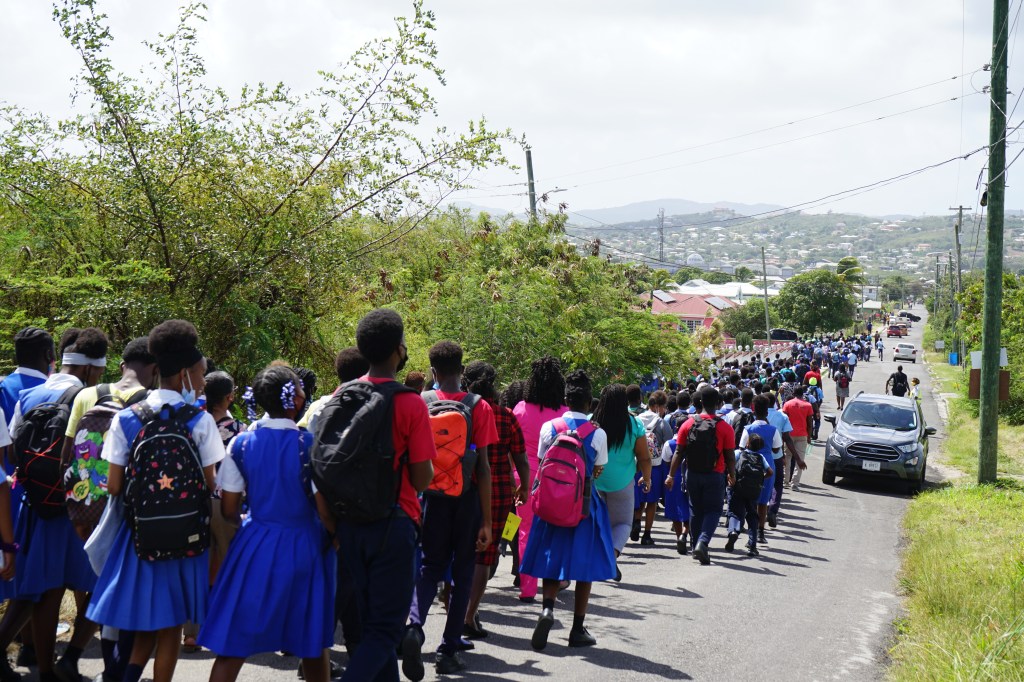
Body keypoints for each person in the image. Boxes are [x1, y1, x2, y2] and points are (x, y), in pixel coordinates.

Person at [86, 320, 223, 682]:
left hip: (139, 538)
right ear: (184, 374)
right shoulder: (201, 420)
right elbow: (210, 483)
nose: (203, 381)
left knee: (150, 618)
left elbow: (113, 486)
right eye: (200, 373)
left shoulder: (126, 419)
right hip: (187, 540)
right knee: (172, 624)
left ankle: (127, 676)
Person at [199, 365, 335, 682]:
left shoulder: (242, 444)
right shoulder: (310, 445)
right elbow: (324, 509)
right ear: (294, 400)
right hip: (305, 546)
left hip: (255, 544)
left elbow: (230, 506)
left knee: (234, 642)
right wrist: (336, 536)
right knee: (312, 642)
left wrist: (254, 521)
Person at [328, 309, 435, 682]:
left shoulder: (343, 394)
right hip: (394, 525)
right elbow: (422, 479)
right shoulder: (410, 403)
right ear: (398, 351)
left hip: (350, 525)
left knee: (374, 626)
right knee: (385, 631)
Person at [5, 327, 109, 682]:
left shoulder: (30, 393)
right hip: (69, 506)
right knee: (73, 586)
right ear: (91, 368)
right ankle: (57, 667)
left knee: (41, 587)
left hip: (31, 502)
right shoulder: (86, 397)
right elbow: (91, 458)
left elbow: (12, 450)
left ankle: (46, 668)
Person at [402, 341, 495, 679]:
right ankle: (449, 648)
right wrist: (486, 520)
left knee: (429, 566)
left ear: (433, 372)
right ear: (462, 369)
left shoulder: (420, 403)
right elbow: (483, 467)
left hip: (430, 497)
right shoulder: (478, 406)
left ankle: (413, 625)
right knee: (463, 573)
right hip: (466, 498)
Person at [523, 370, 616, 651]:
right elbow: (598, 469)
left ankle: (547, 610)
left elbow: (542, 461)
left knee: (551, 557)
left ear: (566, 399)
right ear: (590, 403)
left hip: (552, 503)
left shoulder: (550, 427)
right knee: (584, 565)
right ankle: (578, 628)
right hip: (585, 505)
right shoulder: (598, 433)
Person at [461, 361, 529, 642]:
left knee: (460, 549)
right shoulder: (505, 415)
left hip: (459, 491)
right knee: (486, 556)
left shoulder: (460, 411)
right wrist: (524, 486)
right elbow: (521, 458)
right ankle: (468, 615)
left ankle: (453, 601)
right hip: (499, 493)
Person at [512, 357, 568, 603]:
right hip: (555, 479)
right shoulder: (565, 415)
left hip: (523, 477)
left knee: (525, 531)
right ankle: (551, 585)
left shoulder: (520, 409)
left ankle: (527, 588)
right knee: (553, 532)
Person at [665, 386, 736, 566]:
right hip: (715, 474)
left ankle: (696, 543)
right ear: (719, 403)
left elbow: (679, 452)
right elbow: (729, 455)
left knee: (695, 509)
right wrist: (732, 475)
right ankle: (703, 543)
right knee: (713, 510)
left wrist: (671, 475)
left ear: (700, 403)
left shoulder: (687, 424)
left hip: (692, 474)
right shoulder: (725, 427)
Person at [592, 385, 651, 578]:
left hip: (594, 481)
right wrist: (647, 477)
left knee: (598, 522)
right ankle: (612, 555)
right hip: (622, 482)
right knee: (624, 524)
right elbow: (644, 457)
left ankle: (602, 557)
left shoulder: (591, 422)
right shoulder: (633, 424)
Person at [736, 394, 781, 545]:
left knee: (751, 499)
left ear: (754, 411)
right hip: (767, 465)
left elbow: (742, 447)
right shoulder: (773, 430)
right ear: (767, 412)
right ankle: (761, 531)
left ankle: (752, 530)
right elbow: (776, 449)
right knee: (764, 501)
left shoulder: (748, 428)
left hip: (749, 464)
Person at [723, 433, 772, 557]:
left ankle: (733, 531)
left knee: (734, 512)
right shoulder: (761, 458)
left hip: (737, 488)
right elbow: (770, 472)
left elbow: (729, 464)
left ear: (747, 443)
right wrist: (760, 480)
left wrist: (731, 476)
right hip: (753, 491)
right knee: (752, 516)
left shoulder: (739, 453)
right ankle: (752, 545)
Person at [635, 391, 671, 546]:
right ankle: (647, 535)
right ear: (657, 406)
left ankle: (636, 521)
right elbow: (668, 444)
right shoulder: (661, 422)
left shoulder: (636, 420)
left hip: (636, 465)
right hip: (655, 466)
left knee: (638, 498)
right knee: (652, 501)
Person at [781, 386, 814, 490]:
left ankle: (785, 481)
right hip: (802, 435)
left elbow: (784, 420)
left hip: (789, 434)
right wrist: (809, 436)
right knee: (800, 458)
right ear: (802, 394)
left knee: (787, 457)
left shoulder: (787, 404)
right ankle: (795, 483)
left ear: (794, 393)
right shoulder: (808, 405)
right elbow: (810, 423)